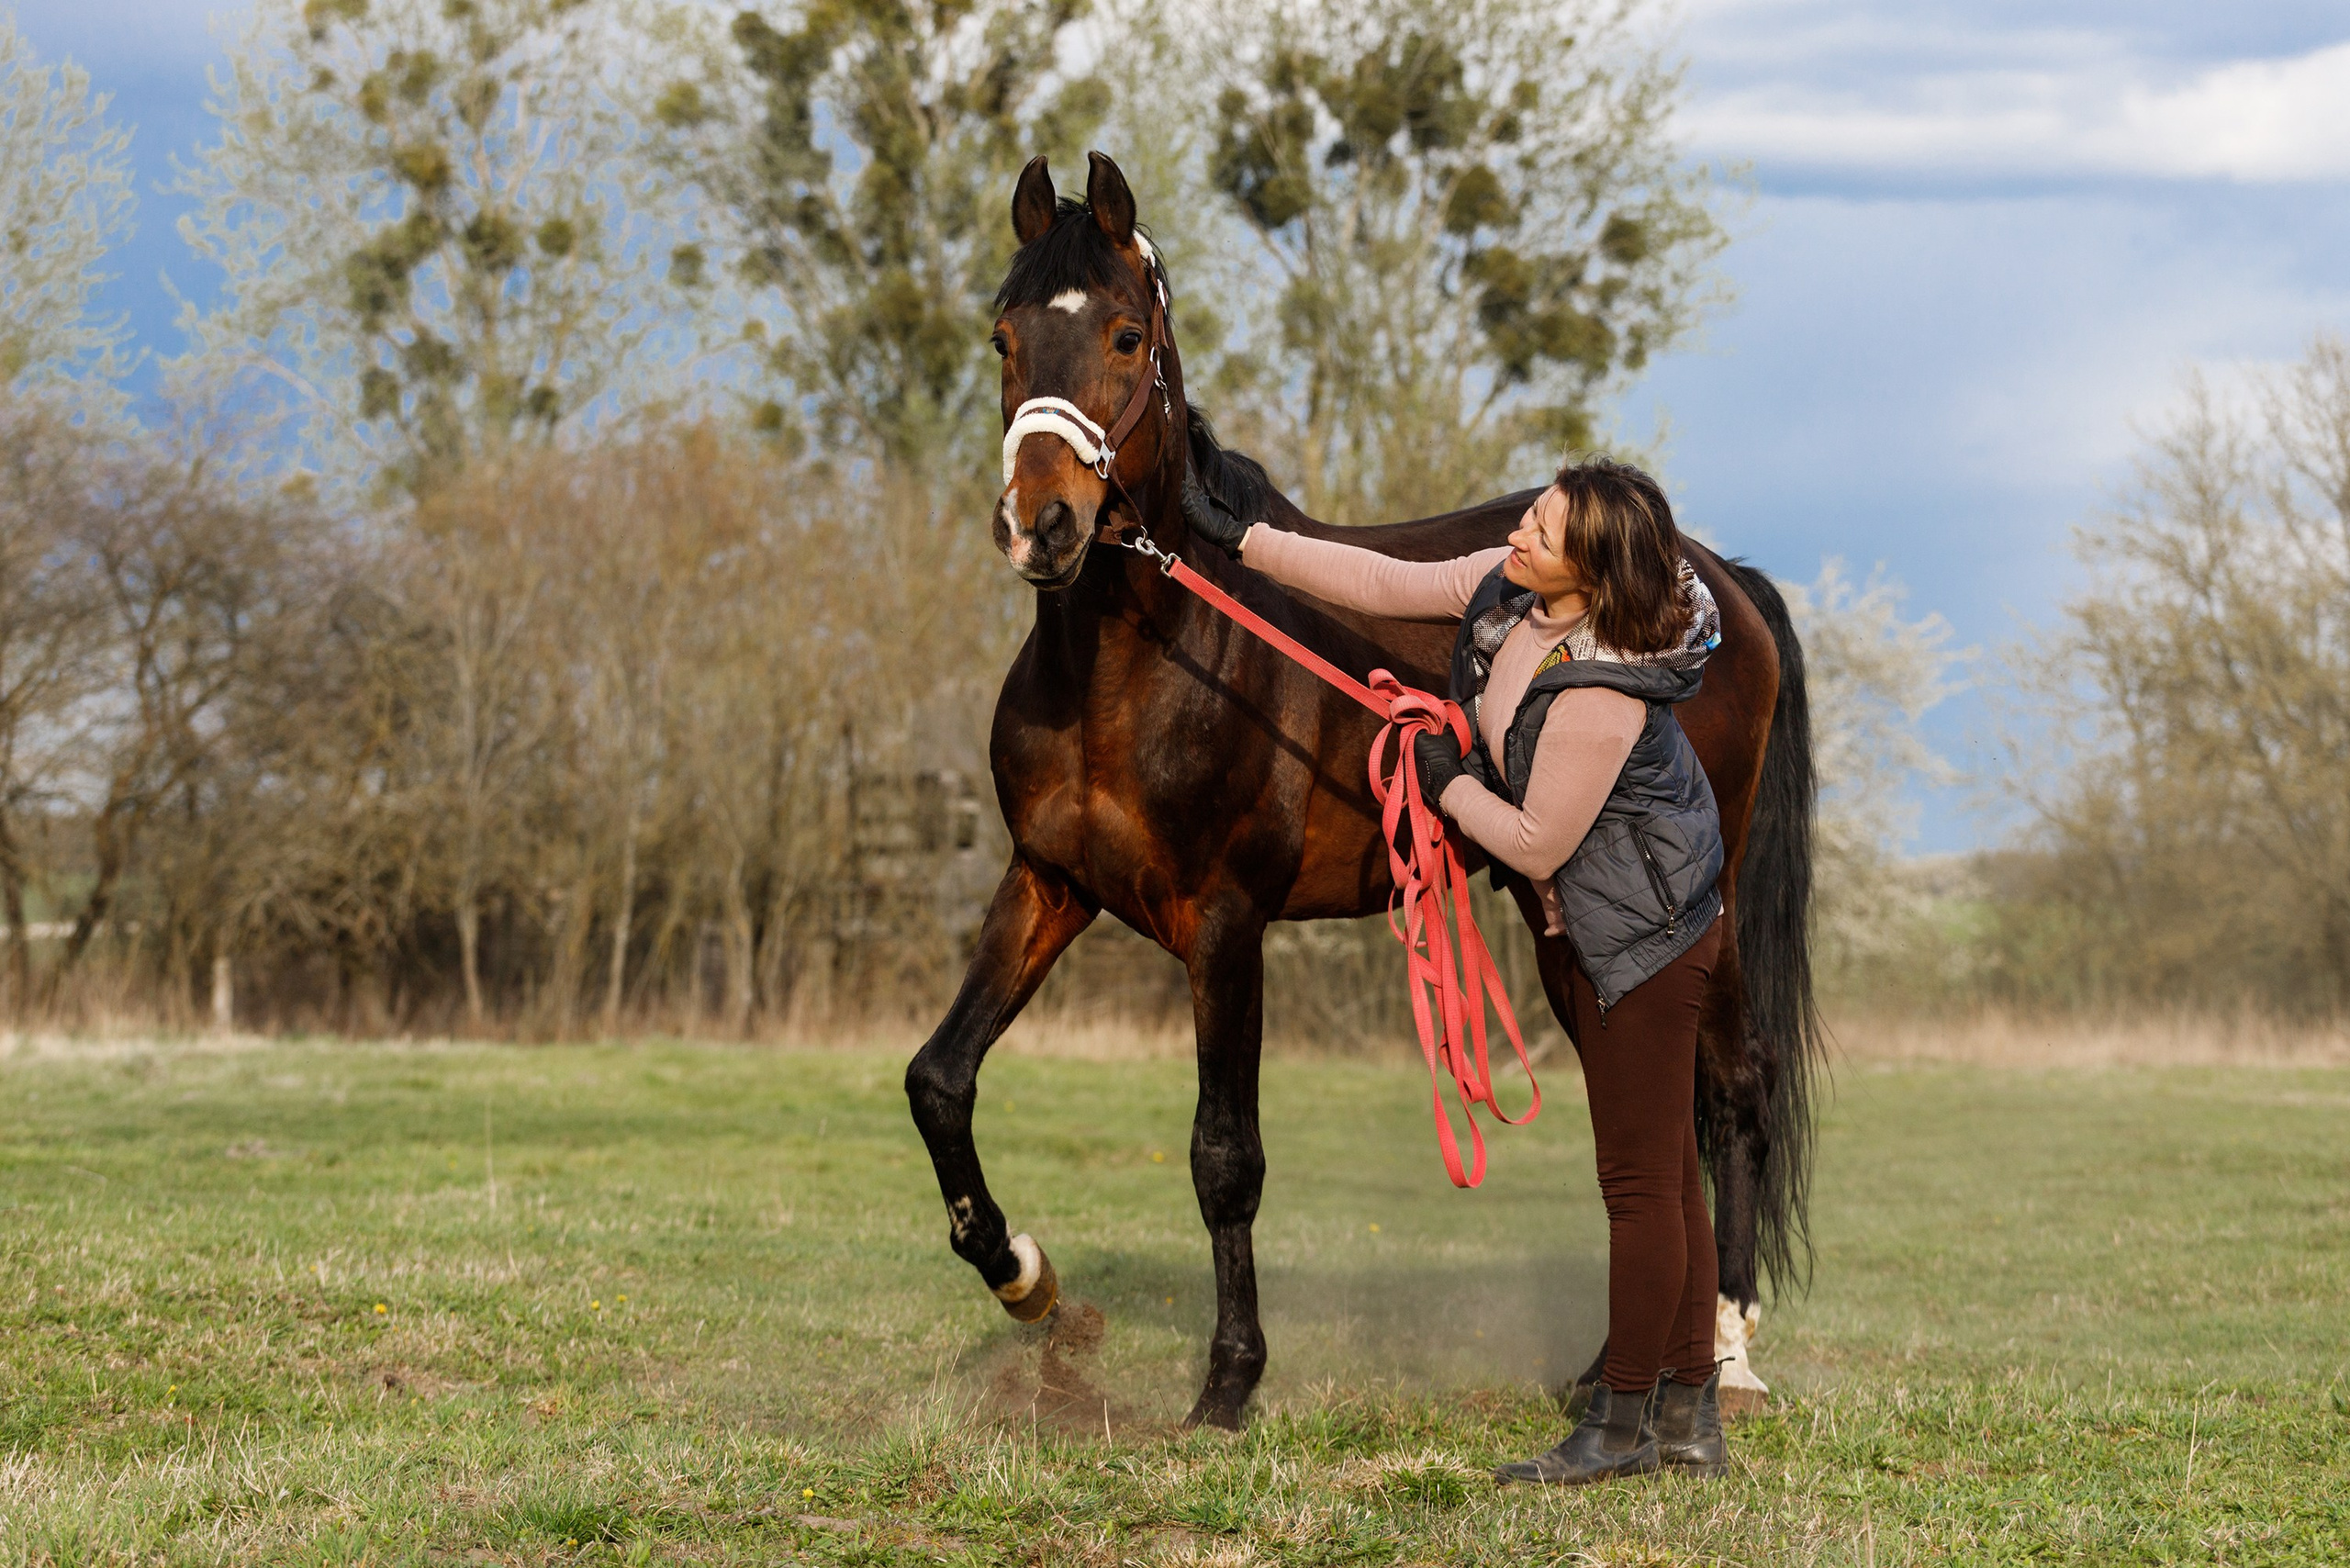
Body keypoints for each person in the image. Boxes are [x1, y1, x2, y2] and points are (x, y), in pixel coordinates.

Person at [1190, 457, 1731, 1485]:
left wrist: (1444, 783)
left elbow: (1529, 843)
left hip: (1648, 941)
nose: (1521, 530)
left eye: (1545, 527)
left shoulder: (1602, 691)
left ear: (1593, 572)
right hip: (1599, 923)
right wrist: (1240, 539)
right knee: (1665, 1173)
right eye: (1531, 514)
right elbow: (1382, 581)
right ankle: (1689, 1417)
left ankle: (1619, 1425)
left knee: (1638, 1185)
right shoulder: (1513, 591)